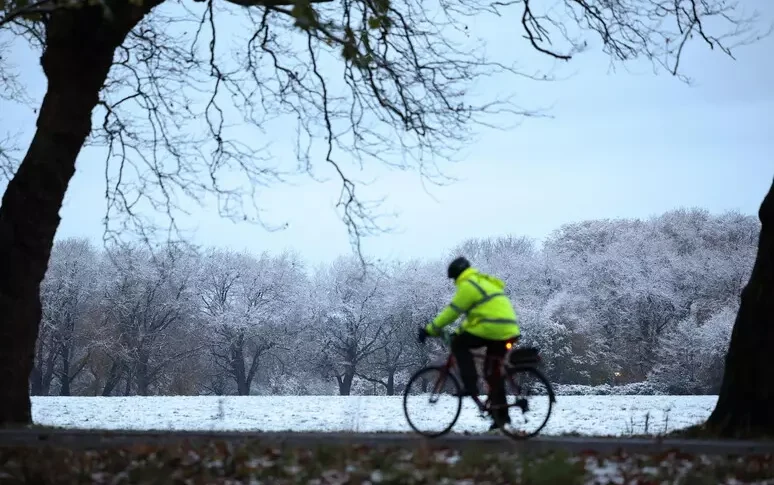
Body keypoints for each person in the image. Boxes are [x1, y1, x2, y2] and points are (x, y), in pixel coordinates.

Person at [418, 256, 520, 432]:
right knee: (492, 373)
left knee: (459, 344)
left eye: (453, 279)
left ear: (457, 274)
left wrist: (430, 329)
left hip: (493, 328)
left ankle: (470, 385)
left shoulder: (468, 285)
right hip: (508, 329)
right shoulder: (483, 282)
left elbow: (452, 311)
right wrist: (460, 330)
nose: (454, 282)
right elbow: (476, 317)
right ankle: (501, 417)